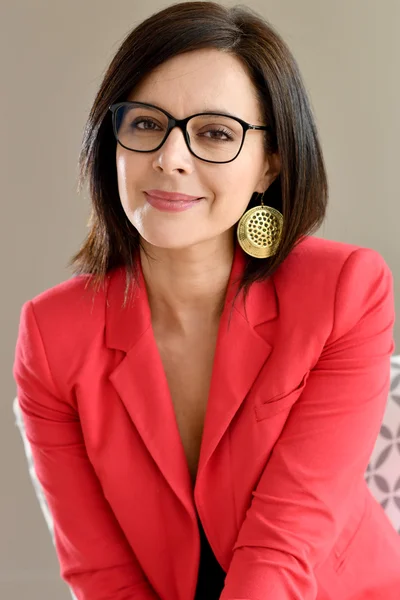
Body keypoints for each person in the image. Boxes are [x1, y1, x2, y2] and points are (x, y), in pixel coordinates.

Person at [12, 2, 400, 599]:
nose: (170, 157)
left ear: (270, 165)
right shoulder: (51, 335)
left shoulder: (345, 292)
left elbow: (283, 548)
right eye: (145, 123)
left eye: (215, 133)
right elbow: (103, 576)